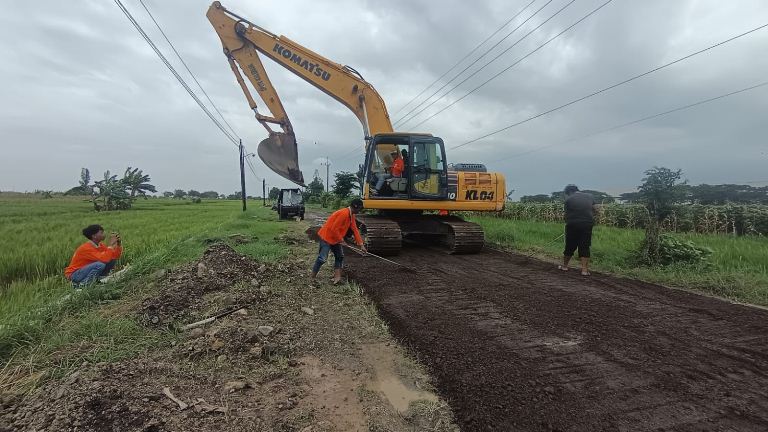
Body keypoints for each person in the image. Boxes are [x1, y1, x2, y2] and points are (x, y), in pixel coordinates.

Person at [312, 199, 367, 284]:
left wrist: (361, 245)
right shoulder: (344, 214)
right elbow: (334, 229)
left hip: (335, 239)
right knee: (322, 259)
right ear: (355, 207)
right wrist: (342, 240)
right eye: (360, 209)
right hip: (326, 237)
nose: (360, 211)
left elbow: (355, 229)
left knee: (340, 256)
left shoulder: (351, 215)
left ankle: (337, 278)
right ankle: (312, 277)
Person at [559, 185, 597, 276]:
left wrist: (568, 223)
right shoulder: (590, 196)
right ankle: (584, 270)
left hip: (573, 224)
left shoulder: (568, 200)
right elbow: (596, 209)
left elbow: (566, 216)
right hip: (587, 224)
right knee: (584, 246)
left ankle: (564, 266)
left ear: (569, 192)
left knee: (570, 245)